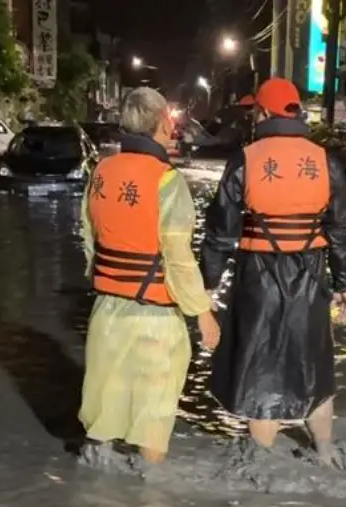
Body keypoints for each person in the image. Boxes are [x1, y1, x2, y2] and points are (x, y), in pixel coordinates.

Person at [201, 78, 346, 465]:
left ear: (265, 113)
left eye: (256, 110)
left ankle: (262, 460)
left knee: (261, 366)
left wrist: (206, 286)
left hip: (259, 275)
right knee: (316, 363)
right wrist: (345, 284)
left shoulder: (245, 159)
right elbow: (341, 230)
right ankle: (323, 451)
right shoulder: (325, 161)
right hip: (311, 274)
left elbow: (221, 233)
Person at [78, 87, 221, 469]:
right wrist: (202, 311)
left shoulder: (101, 172)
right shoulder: (166, 181)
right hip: (154, 319)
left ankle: (94, 502)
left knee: (103, 410)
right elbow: (178, 256)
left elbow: (89, 238)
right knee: (153, 417)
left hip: (106, 313)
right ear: (163, 123)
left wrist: (107, 281)